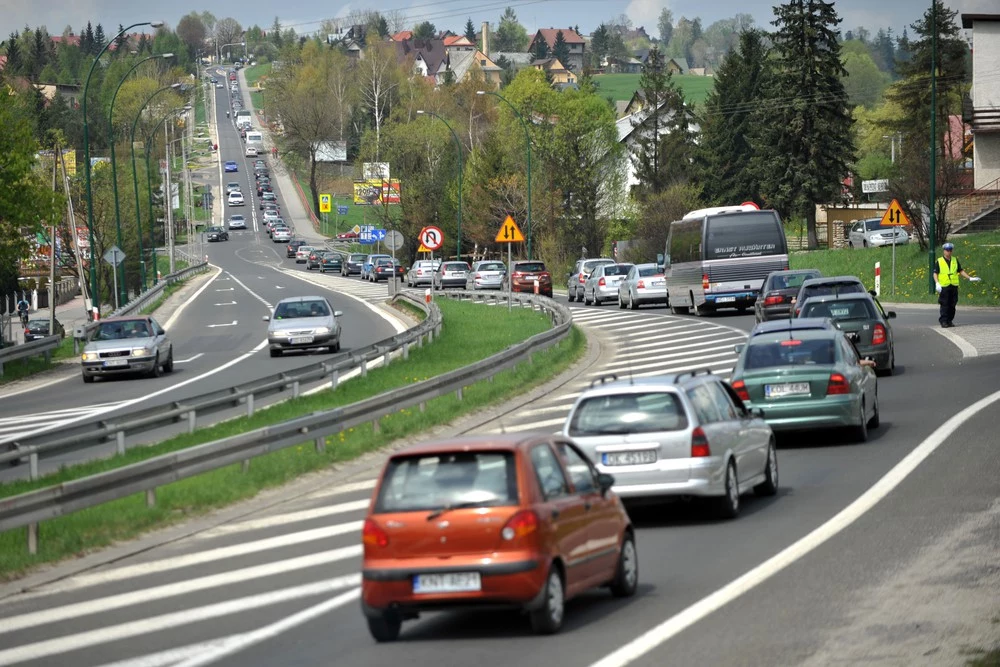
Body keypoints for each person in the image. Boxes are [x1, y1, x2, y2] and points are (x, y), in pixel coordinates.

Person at [933, 241, 981, 328]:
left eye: (950, 250)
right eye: (947, 250)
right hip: (944, 286)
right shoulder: (939, 261)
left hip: (954, 285)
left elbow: (960, 270)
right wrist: (937, 283)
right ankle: (944, 321)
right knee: (945, 304)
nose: (949, 252)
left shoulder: (955, 260)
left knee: (952, 304)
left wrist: (969, 277)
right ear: (944, 251)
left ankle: (949, 321)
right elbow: (935, 273)